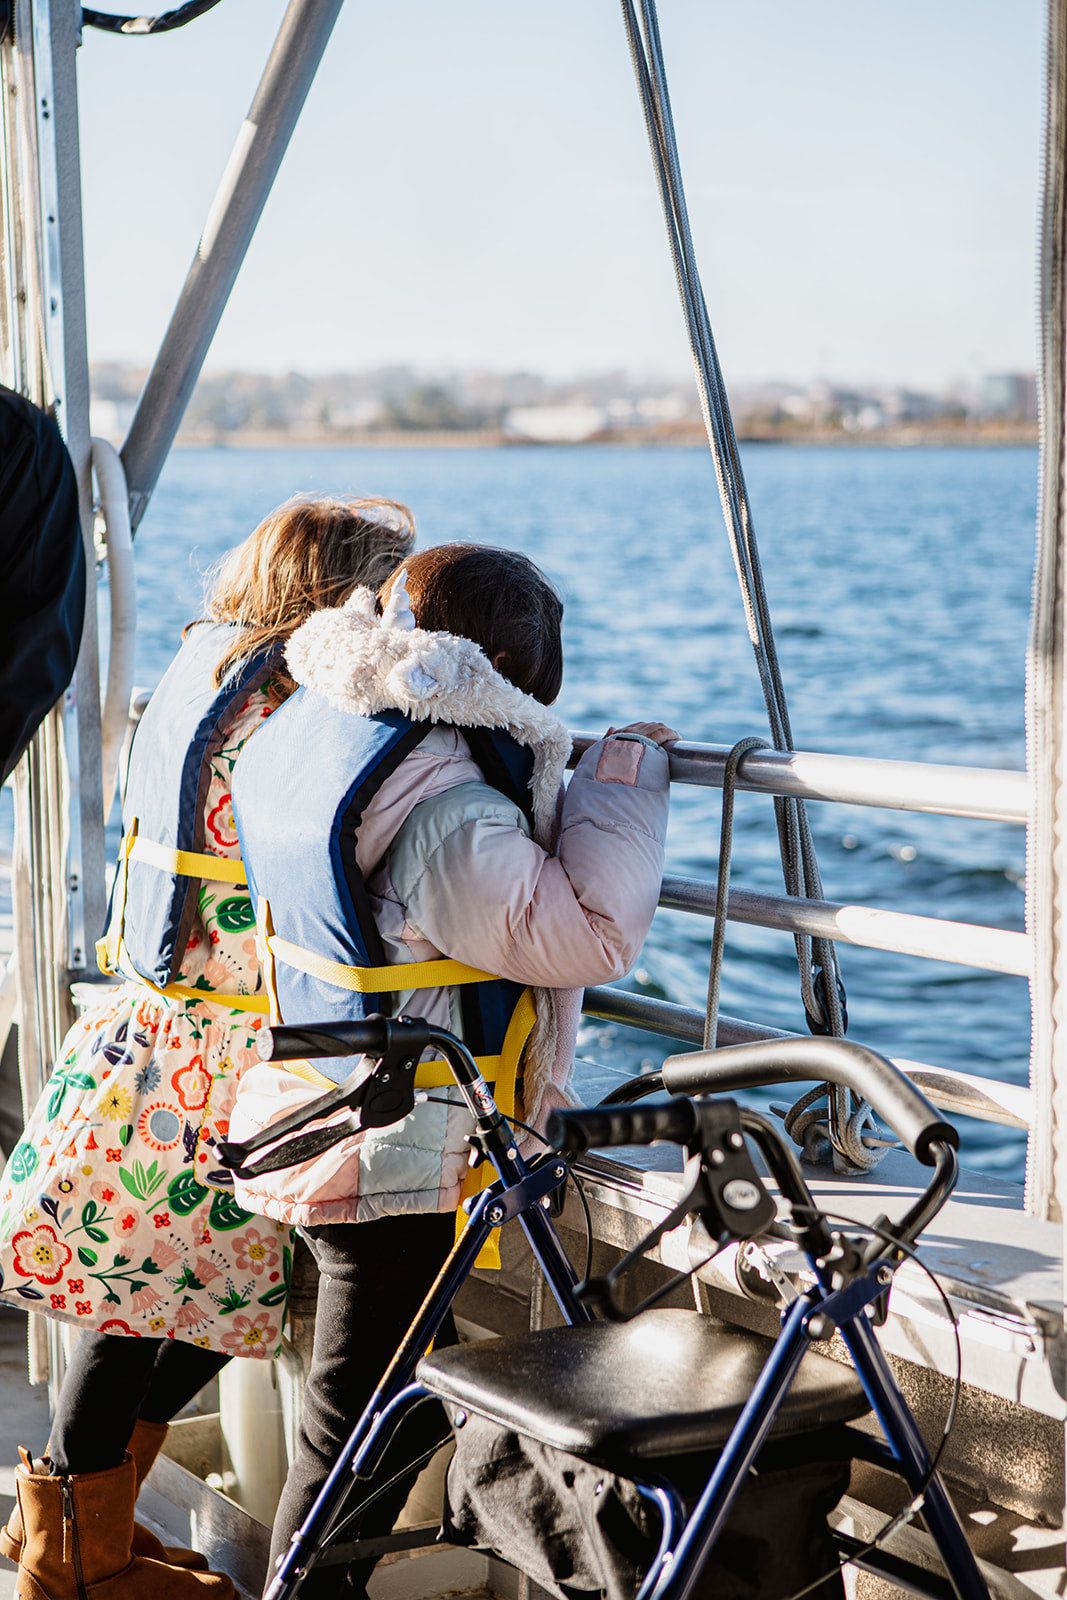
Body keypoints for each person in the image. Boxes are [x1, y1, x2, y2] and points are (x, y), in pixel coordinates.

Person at [225, 542, 679, 1598]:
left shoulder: (345, 733)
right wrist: (619, 779)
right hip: (398, 1137)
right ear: (519, 663)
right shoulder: (445, 798)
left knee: (361, 1402)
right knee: (355, 1424)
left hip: (337, 1105)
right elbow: (584, 938)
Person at [0, 494, 416, 1600]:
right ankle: (69, 1559)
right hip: (213, 1045)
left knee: (170, 1294)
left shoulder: (207, 667)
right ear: (349, 595)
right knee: (141, 1297)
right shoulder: (295, 691)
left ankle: (88, 1530)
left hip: (157, 1024)